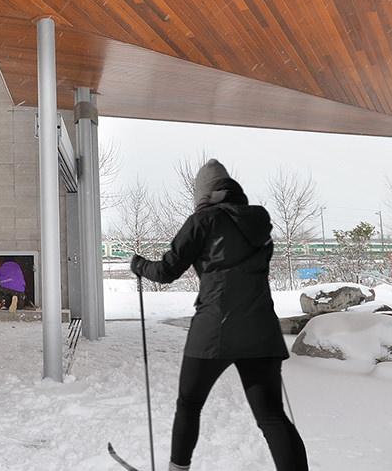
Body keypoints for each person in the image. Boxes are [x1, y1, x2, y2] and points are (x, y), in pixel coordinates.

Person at [130, 159, 308, 471]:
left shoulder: (203, 221)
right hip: (261, 330)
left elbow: (167, 270)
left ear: (204, 194)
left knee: (189, 404)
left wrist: (139, 265)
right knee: (271, 415)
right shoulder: (260, 220)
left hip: (215, 329)